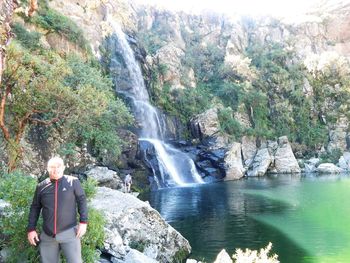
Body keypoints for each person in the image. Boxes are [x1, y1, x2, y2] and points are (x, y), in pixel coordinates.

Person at [27, 156, 88, 263]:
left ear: (64, 167)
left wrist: (83, 222)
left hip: (70, 233)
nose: (56, 169)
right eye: (52, 167)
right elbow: (35, 208)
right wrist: (31, 229)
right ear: (47, 168)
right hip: (48, 236)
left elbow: (82, 201)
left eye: (58, 166)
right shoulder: (41, 186)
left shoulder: (73, 182)